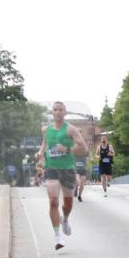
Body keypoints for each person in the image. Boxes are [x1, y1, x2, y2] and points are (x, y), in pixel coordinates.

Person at [36, 101, 88, 250]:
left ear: (65, 112)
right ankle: (58, 236)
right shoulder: (46, 129)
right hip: (51, 168)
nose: (58, 112)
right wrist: (40, 153)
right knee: (53, 201)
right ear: (52, 112)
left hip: (67, 169)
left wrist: (66, 149)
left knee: (68, 204)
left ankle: (65, 219)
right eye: (55, 110)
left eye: (61, 110)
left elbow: (83, 148)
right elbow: (45, 143)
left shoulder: (70, 129)